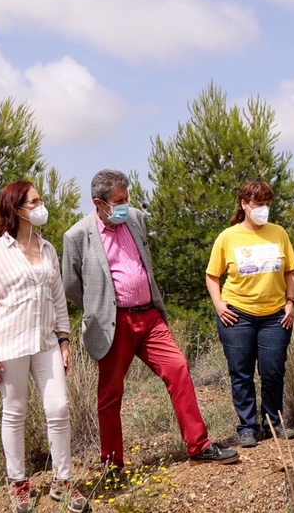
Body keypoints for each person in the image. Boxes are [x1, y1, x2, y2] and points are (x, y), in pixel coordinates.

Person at [61, 168, 239, 468]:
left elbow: (145, 261)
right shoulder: (77, 235)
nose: (124, 206)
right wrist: (99, 307)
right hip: (113, 324)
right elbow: (70, 284)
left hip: (150, 317)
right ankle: (112, 464)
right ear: (98, 202)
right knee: (110, 394)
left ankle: (199, 445)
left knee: (179, 369)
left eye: (126, 199)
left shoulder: (135, 219)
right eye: (118, 201)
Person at [0, 181, 85, 513]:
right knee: (15, 411)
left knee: (59, 408)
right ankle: (18, 482)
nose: (41, 206)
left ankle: (63, 481)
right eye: (34, 201)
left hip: (46, 341)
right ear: (17, 208)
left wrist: (64, 340)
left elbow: (57, 299)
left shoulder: (48, 248)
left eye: (40, 200)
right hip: (9, 342)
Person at [206, 180, 294, 448]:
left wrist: (291, 302)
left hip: (275, 316)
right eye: (259, 204)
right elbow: (212, 275)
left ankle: (274, 423)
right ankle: (248, 428)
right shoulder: (227, 237)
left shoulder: (278, 233)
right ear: (244, 205)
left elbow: (290, 271)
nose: (264, 210)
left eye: (268, 204)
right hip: (237, 315)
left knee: (272, 371)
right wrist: (219, 304)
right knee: (241, 372)